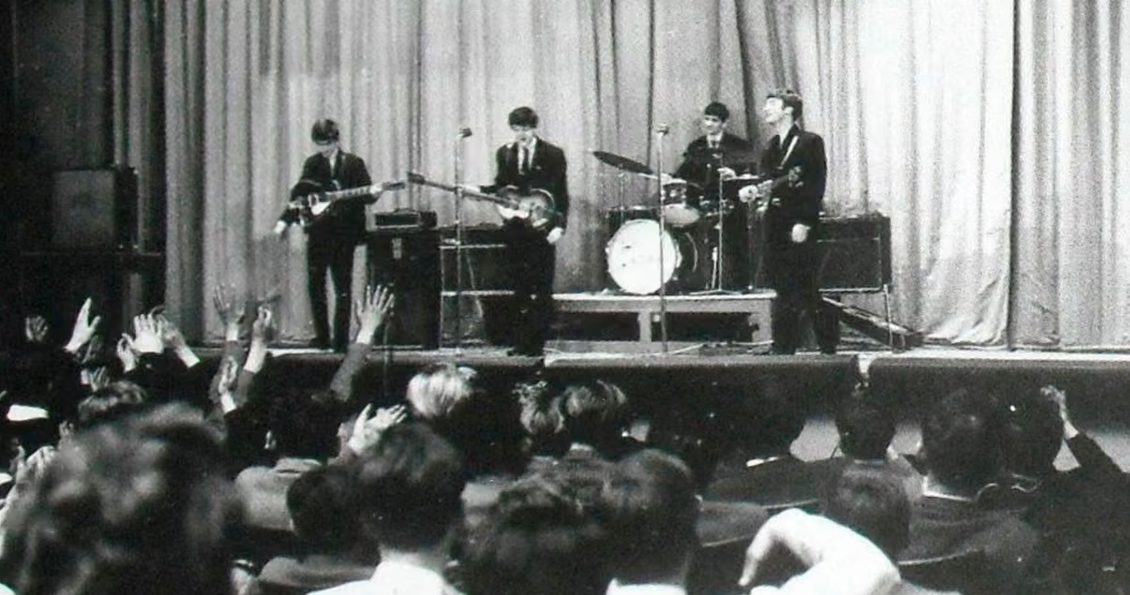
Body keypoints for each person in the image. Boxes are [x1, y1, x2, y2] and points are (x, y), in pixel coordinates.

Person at [744, 89, 838, 354]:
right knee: (782, 286)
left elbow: (816, 183)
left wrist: (805, 221)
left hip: (797, 221)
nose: (765, 109)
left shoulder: (810, 142)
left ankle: (827, 343)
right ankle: (784, 346)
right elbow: (769, 181)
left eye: (771, 104)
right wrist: (753, 190)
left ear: (788, 110)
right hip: (775, 222)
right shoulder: (772, 146)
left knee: (805, 285)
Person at [275, 119, 375, 352]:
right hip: (319, 233)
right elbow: (301, 196)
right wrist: (284, 222)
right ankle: (322, 337)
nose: (323, 148)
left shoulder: (354, 163)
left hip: (344, 234)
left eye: (327, 143)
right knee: (316, 285)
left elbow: (367, 195)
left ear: (336, 140)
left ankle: (340, 341)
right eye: (319, 144)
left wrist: (374, 193)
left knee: (342, 287)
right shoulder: (312, 164)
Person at [479, 106, 569, 356]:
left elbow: (561, 193)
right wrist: (481, 191)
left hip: (542, 227)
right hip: (516, 229)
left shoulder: (552, 154)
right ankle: (521, 343)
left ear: (534, 128)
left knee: (541, 288)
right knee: (519, 288)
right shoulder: (505, 154)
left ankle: (537, 345)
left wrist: (560, 226)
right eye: (517, 129)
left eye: (526, 129)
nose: (522, 134)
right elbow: (502, 187)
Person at [671, 101, 756, 289]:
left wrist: (735, 175)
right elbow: (683, 174)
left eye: (714, 120)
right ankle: (700, 284)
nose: (709, 124)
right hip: (702, 204)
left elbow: (751, 176)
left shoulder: (739, 146)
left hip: (732, 204)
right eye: (706, 119)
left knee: (736, 245)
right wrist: (670, 178)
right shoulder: (696, 146)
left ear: (724, 124)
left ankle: (738, 286)